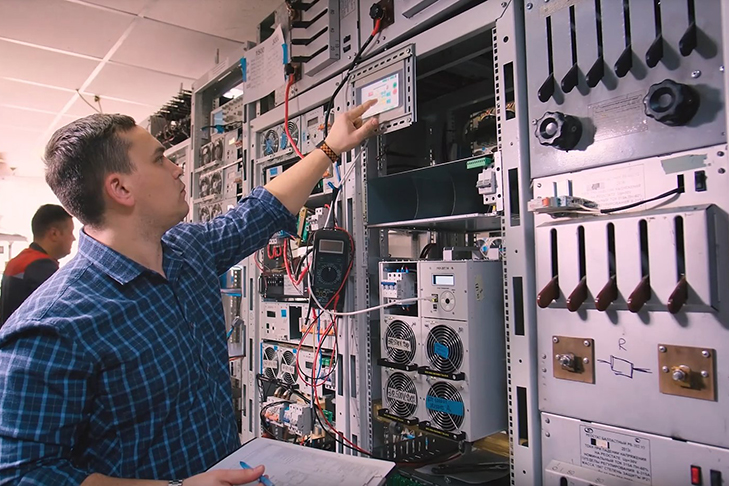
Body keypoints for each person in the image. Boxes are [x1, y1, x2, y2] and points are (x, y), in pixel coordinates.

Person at [0, 100, 379, 485]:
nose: (177, 168)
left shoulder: (187, 250)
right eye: (159, 159)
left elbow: (260, 211)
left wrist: (330, 147)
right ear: (120, 188)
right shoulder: (54, 326)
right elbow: (22, 475)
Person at [0, 204, 75, 326]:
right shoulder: (42, 266)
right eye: (70, 232)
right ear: (54, 234)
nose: (74, 238)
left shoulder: (18, 261)